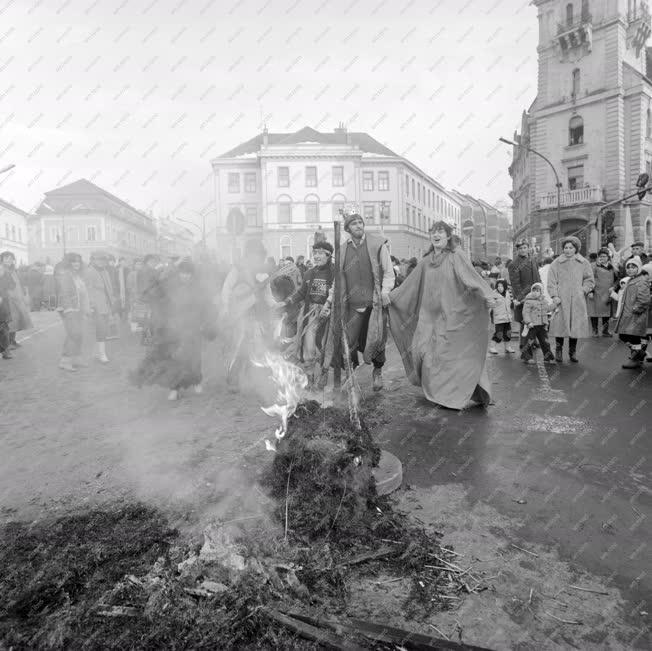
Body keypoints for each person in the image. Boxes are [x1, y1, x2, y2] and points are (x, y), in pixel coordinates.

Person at [388, 221, 495, 410]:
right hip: (427, 317)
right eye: (433, 232)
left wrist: (487, 295)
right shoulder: (426, 261)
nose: (436, 235)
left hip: (452, 315)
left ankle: (444, 395)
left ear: (448, 236)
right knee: (420, 352)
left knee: (444, 356)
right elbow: (410, 284)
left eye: (441, 232)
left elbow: (472, 278)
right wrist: (391, 298)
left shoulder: (456, 256)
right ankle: (441, 391)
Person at [130, 258, 216, 400]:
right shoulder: (170, 287)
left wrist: (205, 323)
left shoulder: (198, 289)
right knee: (175, 358)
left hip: (193, 327)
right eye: (183, 273)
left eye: (188, 273)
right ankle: (174, 388)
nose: (185, 276)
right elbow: (160, 299)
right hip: (174, 327)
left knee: (194, 357)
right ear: (179, 273)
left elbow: (205, 307)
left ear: (192, 275)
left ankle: (196, 382)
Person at [329, 212, 394, 391]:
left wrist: (385, 291)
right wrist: (329, 300)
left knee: (376, 340)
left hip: (374, 305)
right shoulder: (342, 250)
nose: (358, 225)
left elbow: (388, 272)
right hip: (351, 306)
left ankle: (377, 372)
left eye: (360, 222)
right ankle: (350, 374)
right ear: (348, 228)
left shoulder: (377, 244)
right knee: (347, 342)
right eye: (354, 223)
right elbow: (337, 279)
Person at [220, 239, 277, 389]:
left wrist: (276, 305)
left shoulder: (263, 274)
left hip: (258, 313)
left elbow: (268, 295)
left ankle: (257, 380)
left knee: (259, 346)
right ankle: (233, 379)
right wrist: (226, 307)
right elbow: (227, 288)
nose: (256, 258)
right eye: (253, 254)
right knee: (239, 346)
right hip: (240, 314)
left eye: (259, 255)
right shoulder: (237, 269)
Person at [283, 241, 334, 388]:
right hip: (310, 316)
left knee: (325, 346)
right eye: (314, 253)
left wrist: (329, 307)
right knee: (309, 346)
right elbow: (301, 293)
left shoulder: (334, 273)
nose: (316, 256)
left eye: (320, 253)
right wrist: (288, 301)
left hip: (329, 314)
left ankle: (324, 372)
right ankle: (310, 377)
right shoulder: (308, 273)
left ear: (328, 255)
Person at [547, 235, 595, 363]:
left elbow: (589, 280)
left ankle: (572, 351)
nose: (568, 250)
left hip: (577, 299)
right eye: (566, 247)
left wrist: (583, 290)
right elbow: (551, 282)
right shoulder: (556, 263)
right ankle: (558, 350)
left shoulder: (583, 262)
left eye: (571, 247)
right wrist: (555, 296)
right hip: (561, 299)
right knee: (560, 325)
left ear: (576, 249)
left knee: (575, 325)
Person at [55, 253, 91, 371]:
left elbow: (83, 293)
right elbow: (64, 294)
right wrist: (69, 309)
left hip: (79, 309)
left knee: (79, 334)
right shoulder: (65, 275)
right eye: (73, 261)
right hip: (70, 309)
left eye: (78, 261)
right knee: (73, 334)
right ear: (68, 263)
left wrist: (86, 308)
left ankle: (77, 358)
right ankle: (65, 361)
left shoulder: (78, 275)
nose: (76, 264)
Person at [614, 256, 651, 369]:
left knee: (631, 336)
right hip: (628, 314)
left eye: (633, 267)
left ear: (638, 268)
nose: (630, 269)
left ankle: (636, 358)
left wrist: (636, 309)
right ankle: (639, 353)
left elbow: (644, 300)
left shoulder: (641, 281)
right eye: (628, 267)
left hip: (636, 315)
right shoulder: (631, 280)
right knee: (624, 335)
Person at [508, 239, 541, 350]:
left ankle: (533, 340)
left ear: (528, 248)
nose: (523, 250)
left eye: (525, 247)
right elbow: (515, 284)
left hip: (536, 294)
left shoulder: (532, 259)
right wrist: (522, 297)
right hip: (524, 297)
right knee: (525, 320)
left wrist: (540, 291)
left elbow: (538, 277)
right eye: (520, 248)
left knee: (535, 318)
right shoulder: (513, 264)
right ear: (517, 250)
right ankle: (524, 344)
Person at [84, 250, 117, 363]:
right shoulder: (89, 272)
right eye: (99, 259)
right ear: (92, 260)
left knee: (104, 329)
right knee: (100, 329)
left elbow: (109, 288)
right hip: (96, 305)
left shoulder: (105, 271)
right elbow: (87, 290)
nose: (102, 262)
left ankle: (96, 353)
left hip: (106, 304)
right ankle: (102, 354)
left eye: (104, 260)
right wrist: (91, 305)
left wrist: (112, 302)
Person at [0, 251, 33, 350]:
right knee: (10, 322)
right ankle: (7, 343)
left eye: (11, 258)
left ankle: (12, 340)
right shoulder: (2, 269)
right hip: (8, 299)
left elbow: (18, 283)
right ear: (2, 259)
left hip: (16, 298)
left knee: (16, 320)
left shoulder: (13, 270)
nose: (9, 260)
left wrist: (22, 295)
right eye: (6, 258)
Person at [520, 282, 555, 364]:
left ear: (541, 292)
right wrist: (528, 322)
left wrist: (555, 304)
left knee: (545, 341)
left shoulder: (544, 301)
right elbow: (525, 313)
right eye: (534, 290)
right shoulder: (528, 301)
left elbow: (548, 309)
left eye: (537, 291)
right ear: (531, 291)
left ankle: (548, 357)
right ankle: (527, 357)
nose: (535, 292)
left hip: (542, 325)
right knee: (529, 341)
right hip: (532, 325)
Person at [586, 248, 617, 337]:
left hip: (607, 293)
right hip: (595, 292)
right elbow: (589, 279)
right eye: (600, 256)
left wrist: (614, 287)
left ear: (608, 257)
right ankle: (595, 331)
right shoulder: (593, 266)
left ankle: (605, 331)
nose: (602, 258)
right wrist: (590, 291)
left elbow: (617, 279)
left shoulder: (612, 267)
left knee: (606, 313)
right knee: (594, 312)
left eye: (604, 256)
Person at [489, 278, 515, 355]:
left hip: (507, 318)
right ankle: (492, 347)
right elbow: (490, 304)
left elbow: (511, 302)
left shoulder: (508, 293)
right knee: (499, 333)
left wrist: (515, 303)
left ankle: (507, 347)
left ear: (505, 286)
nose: (500, 287)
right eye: (498, 286)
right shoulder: (494, 294)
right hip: (499, 318)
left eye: (502, 286)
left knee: (508, 333)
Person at [0, 263, 12, 359]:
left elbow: (12, 285)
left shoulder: (5, 276)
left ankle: (6, 351)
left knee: (4, 328)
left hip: (3, 306)